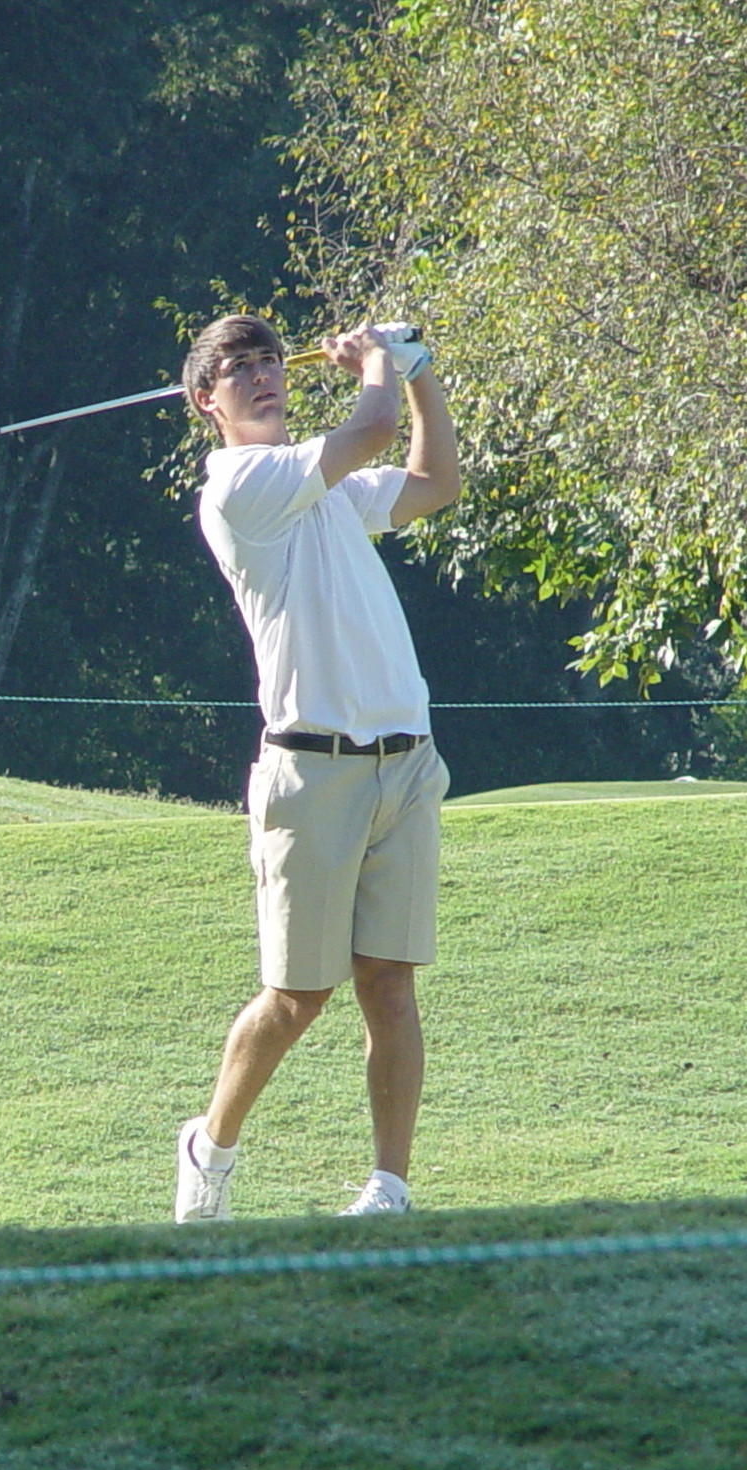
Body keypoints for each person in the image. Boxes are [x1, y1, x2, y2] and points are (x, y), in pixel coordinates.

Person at [173, 313, 463, 1222]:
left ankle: (390, 1185)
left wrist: (417, 374)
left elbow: (435, 481)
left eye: (268, 361)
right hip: (312, 771)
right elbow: (367, 429)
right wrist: (379, 364)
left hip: (405, 761)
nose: (262, 376)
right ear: (204, 402)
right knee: (297, 996)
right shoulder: (239, 485)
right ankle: (209, 1147)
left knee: (391, 982)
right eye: (237, 369)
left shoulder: (326, 487)